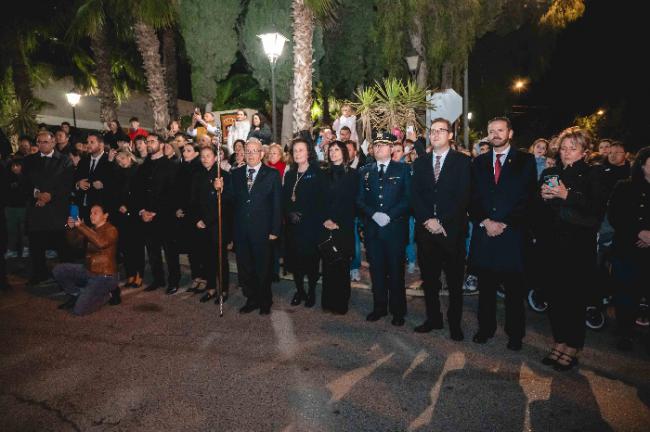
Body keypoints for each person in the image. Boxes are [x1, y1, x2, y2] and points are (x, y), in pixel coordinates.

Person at [534, 128, 601, 370]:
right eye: (563, 148)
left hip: (577, 248)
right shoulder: (551, 172)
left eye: (573, 148)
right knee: (554, 297)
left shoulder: (592, 174)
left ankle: (573, 346)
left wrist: (566, 195)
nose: (566, 153)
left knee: (574, 298)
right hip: (551, 245)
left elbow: (594, 211)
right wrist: (542, 198)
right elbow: (539, 211)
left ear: (584, 152)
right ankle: (559, 341)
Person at [469, 117, 537, 350]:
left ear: (510, 132)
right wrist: (486, 221)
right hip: (485, 233)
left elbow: (528, 198)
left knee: (514, 290)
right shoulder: (478, 162)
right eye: (491, 131)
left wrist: (504, 223)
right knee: (486, 288)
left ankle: (515, 334)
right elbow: (472, 197)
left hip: (512, 236)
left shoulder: (525, 161)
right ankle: (485, 329)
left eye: (500, 130)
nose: (495, 134)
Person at [411, 118, 471, 341]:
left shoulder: (463, 162)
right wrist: (428, 219)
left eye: (440, 130)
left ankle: (454, 324)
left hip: (451, 232)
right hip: (426, 232)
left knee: (455, 282)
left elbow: (463, 197)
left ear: (450, 135)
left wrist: (441, 221)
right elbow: (415, 195)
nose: (435, 134)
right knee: (429, 280)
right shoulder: (420, 163)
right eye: (432, 131)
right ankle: (433, 319)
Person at [357, 139, 411, 326]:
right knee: (377, 271)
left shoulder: (403, 169)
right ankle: (379, 307)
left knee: (396, 272)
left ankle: (398, 311)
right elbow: (359, 199)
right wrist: (373, 214)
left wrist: (389, 215)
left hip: (394, 228)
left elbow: (408, 198)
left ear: (391, 148)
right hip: (373, 230)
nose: (379, 148)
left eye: (383, 145)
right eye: (376, 145)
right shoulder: (364, 171)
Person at [230, 138, 282, 314]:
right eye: (248, 151)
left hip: (263, 230)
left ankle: (265, 300)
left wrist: (275, 230)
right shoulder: (235, 174)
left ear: (261, 153)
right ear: (244, 153)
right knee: (245, 268)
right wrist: (220, 188)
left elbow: (277, 204)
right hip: (241, 231)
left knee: (263, 268)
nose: (251, 154)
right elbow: (231, 202)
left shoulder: (272, 174)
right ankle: (251, 298)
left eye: (254, 151)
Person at [608, 146, 650, 352]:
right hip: (627, 249)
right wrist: (638, 233)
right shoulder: (624, 186)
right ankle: (624, 332)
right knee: (626, 293)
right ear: (643, 164)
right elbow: (615, 215)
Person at [22, 131, 74, 284]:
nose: (41, 144)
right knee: (36, 245)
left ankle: (68, 275)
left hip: (56, 210)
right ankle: (39, 273)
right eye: (39, 142)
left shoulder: (65, 160)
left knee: (62, 246)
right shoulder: (29, 160)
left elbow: (67, 183)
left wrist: (50, 195)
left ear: (53, 143)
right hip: (36, 209)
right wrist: (37, 194)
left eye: (45, 142)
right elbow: (24, 183)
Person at [131, 133, 179, 292]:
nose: (149, 144)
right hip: (145, 216)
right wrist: (142, 211)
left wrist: (156, 212)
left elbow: (173, 193)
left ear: (161, 144)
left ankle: (174, 281)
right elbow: (137, 191)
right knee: (152, 252)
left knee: (170, 252)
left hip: (164, 217)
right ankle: (158, 279)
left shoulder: (171, 166)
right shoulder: (143, 167)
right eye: (147, 141)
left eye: (152, 141)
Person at [54, 204, 120, 315]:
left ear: (105, 216)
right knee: (59, 270)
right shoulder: (90, 229)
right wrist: (70, 229)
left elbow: (101, 243)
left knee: (79, 310)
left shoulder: (111, 230)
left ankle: (110, 294)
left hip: (105, 276)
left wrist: (82, 227)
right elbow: (74, 244)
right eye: (90, 213)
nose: (91, 215)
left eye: (95, 213)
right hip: (88, 271)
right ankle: (76, 294)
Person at [283, 138, 325, 308]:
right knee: (296, 262)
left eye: (301, 150)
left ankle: (311, 291)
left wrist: (305, 215)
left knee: (311, 262)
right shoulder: (290, 174)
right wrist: (289, 213)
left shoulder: (318, 173)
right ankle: (299, 291)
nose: (298, 153)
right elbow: (285, 198)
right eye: (295, 151)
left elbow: (322, 201)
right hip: (293, 227)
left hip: (311, 227)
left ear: (308, 152)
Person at [320, 141, 359, 314]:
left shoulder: (353, 175)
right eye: (331, 150)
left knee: (342, 265)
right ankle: (328, 302)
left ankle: (341, 303)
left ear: (344, 153)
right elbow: (318, 202)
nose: (333, 153)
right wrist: (325, 219)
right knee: (328, 264)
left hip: (344, 226)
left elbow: (353, 202)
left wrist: (338, 222)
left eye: (337, 150)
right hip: (326, 225)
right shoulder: (323, 174)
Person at [192, 146, 232, 303]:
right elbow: (193, 200)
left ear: (216, 158)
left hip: (217, 224)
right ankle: (211, 288)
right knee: (206, 258)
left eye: (208, 155)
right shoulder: (197, 176)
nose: (205, 158)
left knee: (220, 260)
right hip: (201, 224)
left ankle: (223, 290)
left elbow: (226, 203)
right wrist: (197, 219)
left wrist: (207, 220)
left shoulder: (224, 176)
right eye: (202, 156)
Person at [169, 143, 203, 294]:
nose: (185, 153)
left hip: (194, 214)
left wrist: (185, 209)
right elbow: (176, 190)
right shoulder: (180, 168)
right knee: (189, 249)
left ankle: (200, 278)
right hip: (180, 214)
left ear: (196, 153)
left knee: (196, 249)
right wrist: (177, 208)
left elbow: (196, 194)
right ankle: (190, 278)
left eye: (189, 150)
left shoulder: (200, 168)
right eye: (184, 150)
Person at [112, 150, 143, 288]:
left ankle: (139, 274)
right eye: (118, 160)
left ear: (130, 157)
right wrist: (119, 205)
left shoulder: (138, 171)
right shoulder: (117, 172)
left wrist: (129, 206)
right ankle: (130, 273)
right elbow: (114, 192)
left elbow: (140, 193)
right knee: (125, 246)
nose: (121, 162)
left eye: (123, 159)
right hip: (121, 214)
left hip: (135, 213)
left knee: (136, 246)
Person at [74, 133, 113, 223]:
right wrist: (78, 184)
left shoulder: (110, 161)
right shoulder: (83, 161)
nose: (88, 145)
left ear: (101, 144)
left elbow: (115, 184)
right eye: (87, 142)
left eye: (92, 142)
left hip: (99, 210)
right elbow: (74, 179)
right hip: (80, 207)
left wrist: (104, 185)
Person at [4, 159, 29, 259]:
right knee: (11, 230)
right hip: (10, 208)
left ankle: (26, 249)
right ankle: (12, 250)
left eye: (17, 165)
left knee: (24, 230)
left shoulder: (27, 178)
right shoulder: (7, 177)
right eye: (13, 166)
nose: (15, 168)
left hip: (23, 207)